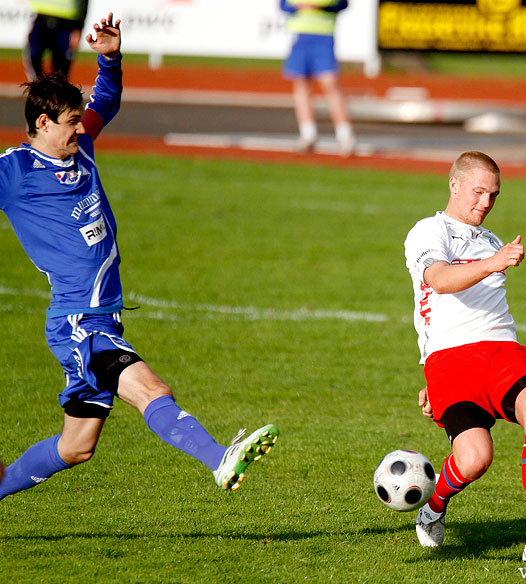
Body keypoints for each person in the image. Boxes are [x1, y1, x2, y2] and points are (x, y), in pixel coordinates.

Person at [0, 13, 279, 503]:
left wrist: (110, 57)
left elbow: (105, 99)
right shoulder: (15, 170)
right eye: (69, 123)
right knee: (150, 387)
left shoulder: (80, 146)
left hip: (102, 317)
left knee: (76, 447)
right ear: (41, 123)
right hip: (78, 322)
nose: (77, 129)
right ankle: (219, 458)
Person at [404, 152, 526, 566]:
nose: (486, 203)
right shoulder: (429, 231)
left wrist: (493, 257)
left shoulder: (490, 240)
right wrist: (494, 262)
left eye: (494, 195)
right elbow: (437, 281)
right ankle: (434, 508)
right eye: (478, 191)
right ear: (454, 184)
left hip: (502, 350)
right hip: (451, 362)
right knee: (475, 459)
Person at [280, 0, 356, 156]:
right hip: (299, 35)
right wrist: (298, 6)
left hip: (324, 36)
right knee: (301, 85)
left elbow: (342, 4)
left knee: (330, 83)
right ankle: (307, 134)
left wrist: (321, 6)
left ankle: (345, 136)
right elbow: (283, 5)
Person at [24, 0, 89, 81]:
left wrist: (78, 27)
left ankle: (58, 90)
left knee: (61, 68)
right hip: (41, 18)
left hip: (67, 24)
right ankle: (39, 88)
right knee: (34, 56)